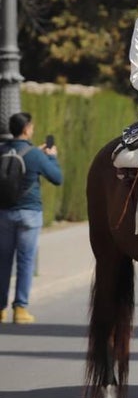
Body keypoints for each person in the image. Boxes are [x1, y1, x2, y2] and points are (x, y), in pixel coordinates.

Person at [0, 113, 63, 324]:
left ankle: (0, 309)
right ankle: (20, 309)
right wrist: (51, 156)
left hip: (3, 214)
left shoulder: (2, 150)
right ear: (27, 128)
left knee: (3, 262)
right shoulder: (35, 155)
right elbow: (57, 178)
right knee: (25, 262)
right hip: (29, 214)